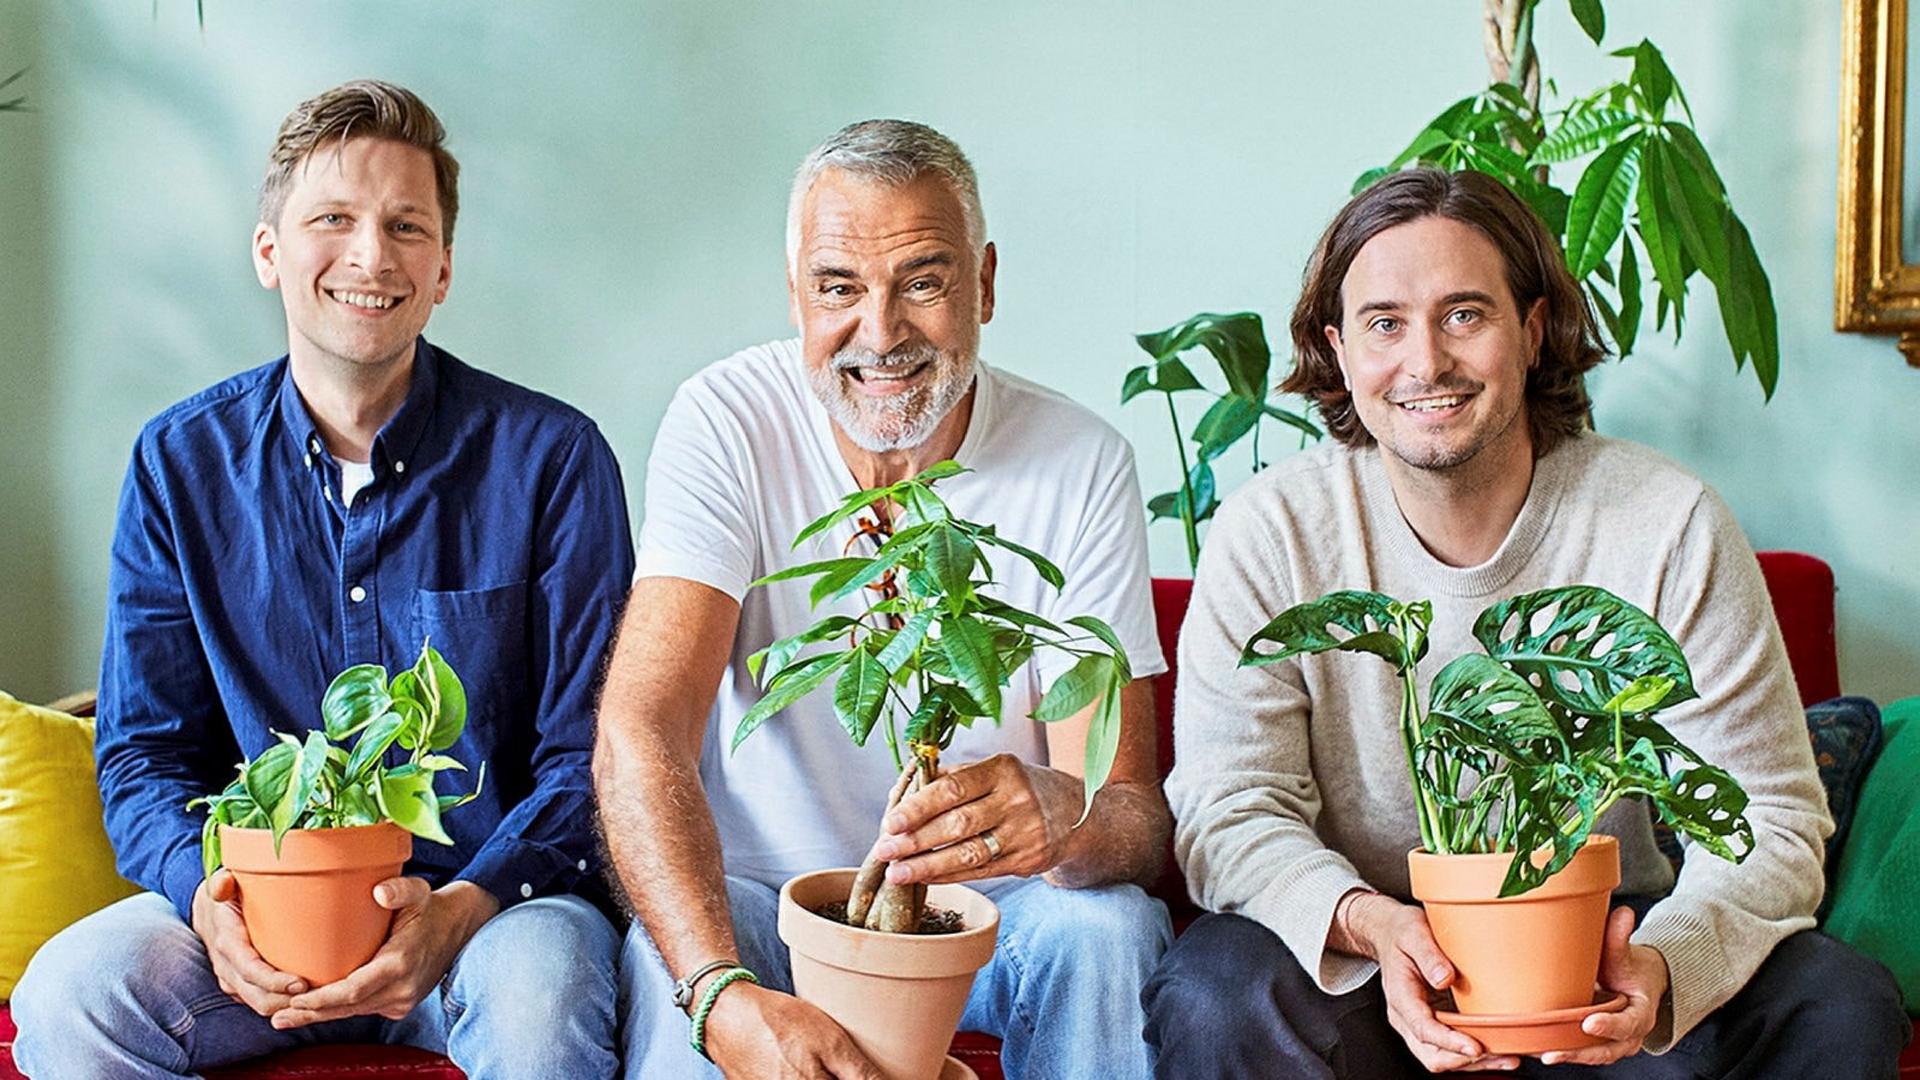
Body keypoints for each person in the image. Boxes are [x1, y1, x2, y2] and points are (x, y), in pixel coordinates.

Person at [1142, 168, 1910, 1078]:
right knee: (1215, 984)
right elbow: (1228, 810)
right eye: (1386, 324)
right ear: (1339, 351)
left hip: (1603, 958)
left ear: (1533, 329)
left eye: (1465, 314)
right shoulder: (1271, 533)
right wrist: (1374, 927)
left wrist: (1662, 966)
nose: (1426, 362)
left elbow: (1770, 817)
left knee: (1836, 997)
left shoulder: (1669, 522)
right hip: (1371, 954)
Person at [11, 80, 633, 1079]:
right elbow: (142, 753)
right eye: (332, 220)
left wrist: (465, 905)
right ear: (270, 252)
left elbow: (588, 757)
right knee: (72, 998)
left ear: (442, 270)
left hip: (490, 909)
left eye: (405, 226)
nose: (370, 254)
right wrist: (209, 898)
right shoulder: (179, 465)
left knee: (542, 1001)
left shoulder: (553, 460)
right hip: (257, 914)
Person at [594, 118, 1173, 1079]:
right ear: (795, 295)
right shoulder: (723, 420)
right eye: (839, 288)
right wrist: (716, 993)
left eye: (924, 281)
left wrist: (1065, 821)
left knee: (1103, 928)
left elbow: (1132, 810)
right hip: (765, 905)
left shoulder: (1081, 462)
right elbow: (639, 733)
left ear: (984, 282)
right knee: (677, 969)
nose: (882, 330)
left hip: (989, 916)